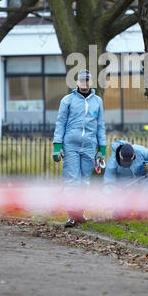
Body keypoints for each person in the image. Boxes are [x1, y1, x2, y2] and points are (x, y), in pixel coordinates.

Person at [52, 69, 107, 227]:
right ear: (77, 82)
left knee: (84, 182)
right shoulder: (67, 100)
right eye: (82, 81)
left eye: (88, 80)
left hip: (89, 146)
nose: (85, 83)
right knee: (72, 181)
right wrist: (57, 146)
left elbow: (100, 126)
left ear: (91, 82)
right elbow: (60, 123)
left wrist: (102, 149)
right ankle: (71, 214)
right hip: (71, 146)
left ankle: (80, 213)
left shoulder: (98, 101)